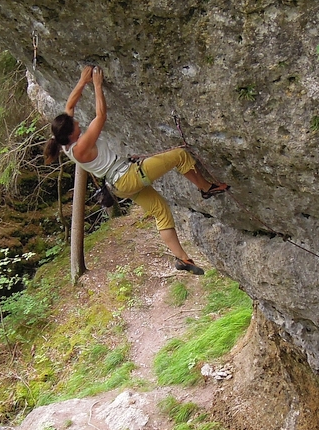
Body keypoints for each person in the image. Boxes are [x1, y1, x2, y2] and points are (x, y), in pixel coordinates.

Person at [43, 65, 228, 274]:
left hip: (120, 185)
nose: (78, 122)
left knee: (160, 210)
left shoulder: (63, 142)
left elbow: (69, 105)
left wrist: (82, 81)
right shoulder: (80, 147)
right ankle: (206, 188)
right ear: (71, 135)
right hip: (127, 177)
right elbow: (101, 116)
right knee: (179, 155)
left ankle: (182, 258)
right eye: (75, 124)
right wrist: (96, 85)